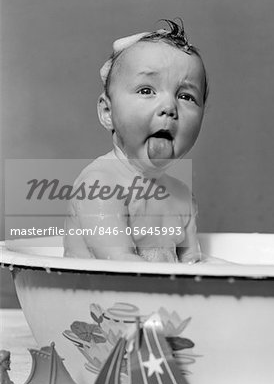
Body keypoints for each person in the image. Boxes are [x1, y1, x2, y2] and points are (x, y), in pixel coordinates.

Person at [64, 20, 208, 263]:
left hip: (159, 300)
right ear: (108, 112)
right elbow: (119, 263)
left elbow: (194, 264)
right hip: (99, 299)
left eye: (186, 96)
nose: (169, 108)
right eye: (146, 90)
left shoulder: (182, 196)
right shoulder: (99, 185)